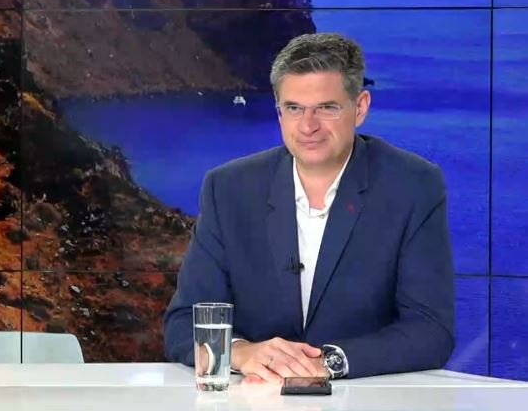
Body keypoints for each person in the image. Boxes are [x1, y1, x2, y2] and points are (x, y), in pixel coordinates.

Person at [163, 33, 454, 382]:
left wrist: (327, 363)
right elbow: (184, 323)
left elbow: (431, 330)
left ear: (360, 107)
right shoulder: (228, 189)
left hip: (364, 398)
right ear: (279, 112)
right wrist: (242, 353)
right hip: (255, 396)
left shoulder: (412, 186)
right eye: (294, 108)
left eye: (326, 108)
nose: (308, 126)